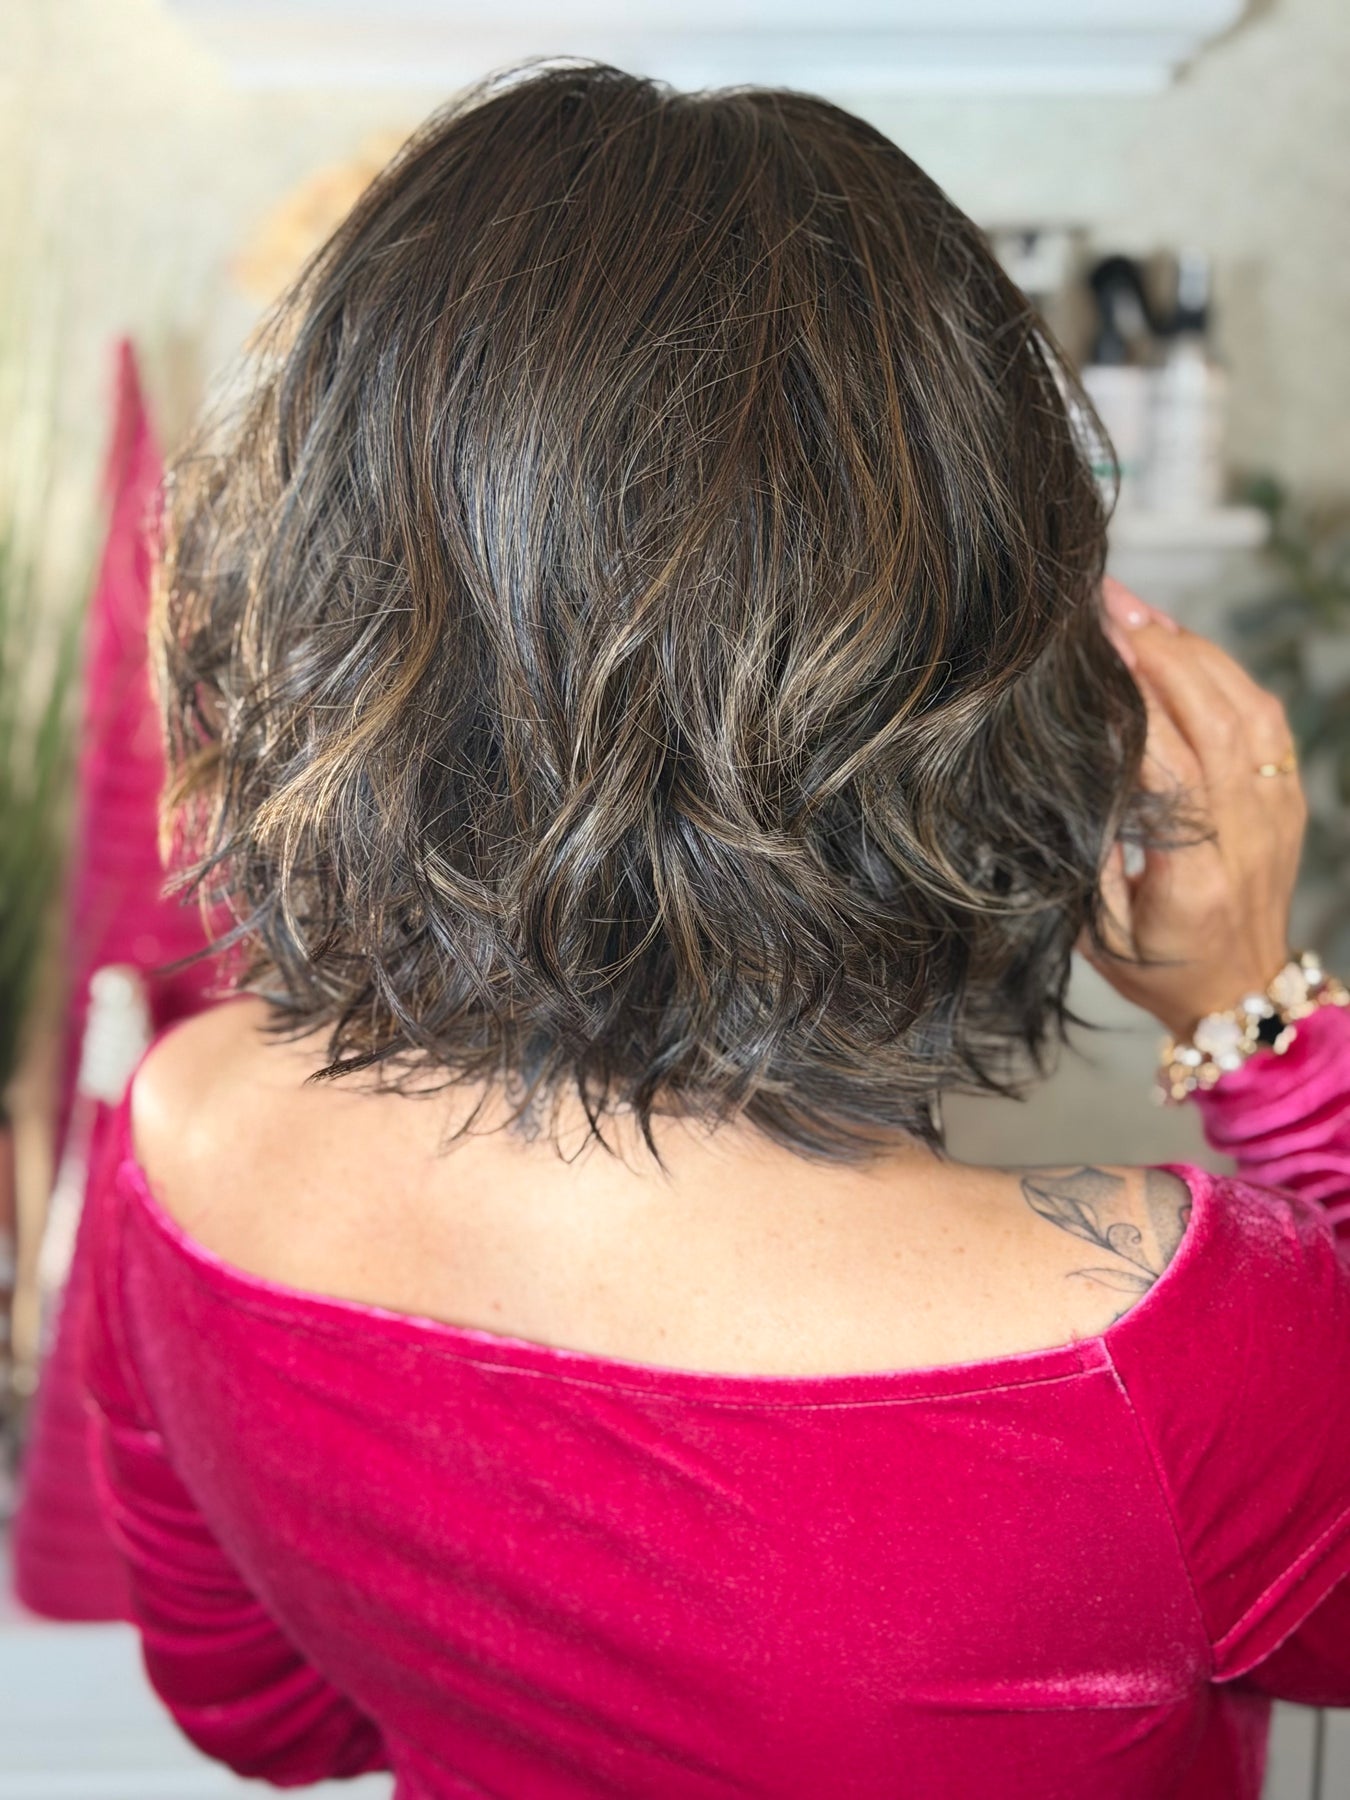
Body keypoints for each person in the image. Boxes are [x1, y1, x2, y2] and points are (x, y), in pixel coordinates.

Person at [80, 62, 1350, 1799]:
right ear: (989, 631)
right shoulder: (1153, 1347)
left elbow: (264, 1721)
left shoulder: (181, 1131)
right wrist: (1258, 1016)